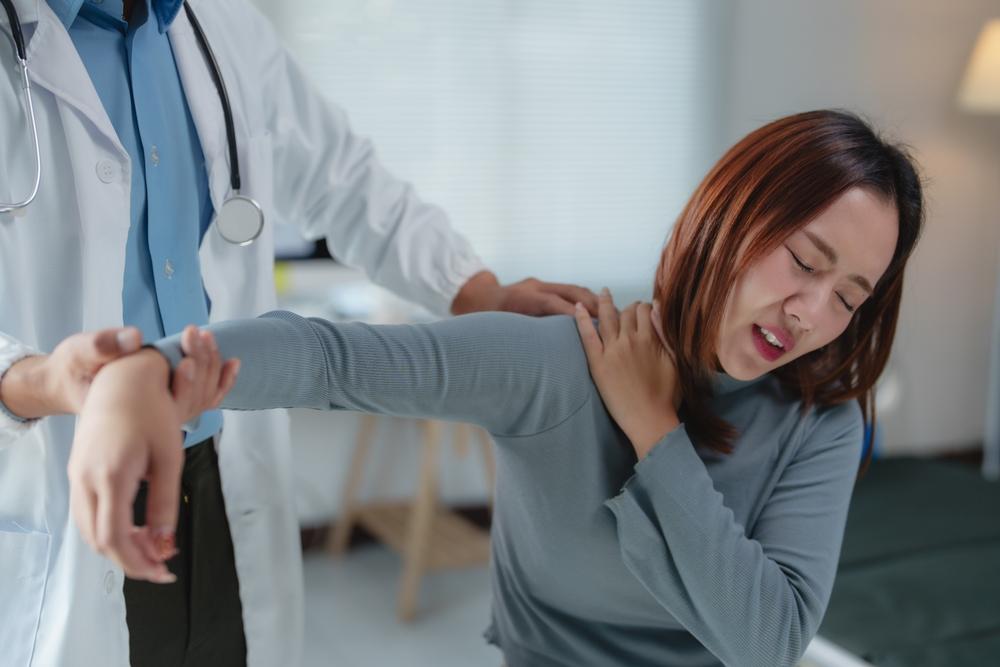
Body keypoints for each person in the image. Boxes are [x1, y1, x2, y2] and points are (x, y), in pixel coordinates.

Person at [71, 110, 925, 666]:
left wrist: (654, 430)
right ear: (731, 217)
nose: (811, 312)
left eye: (850, 296)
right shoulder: (559, 363)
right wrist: (156, 368)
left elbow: (770, 640)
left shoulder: (822, 419)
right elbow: (337, 360)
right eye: (805, 261)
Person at [0, 0, 597, 664]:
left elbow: (346, 180)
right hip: (60, 474)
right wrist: (37, 379)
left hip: (221, 471)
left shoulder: (221, 28)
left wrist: (481, 293)